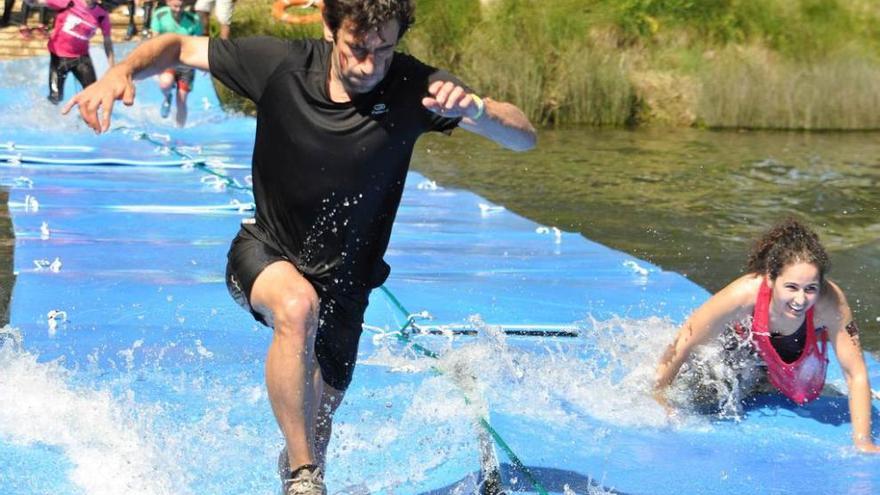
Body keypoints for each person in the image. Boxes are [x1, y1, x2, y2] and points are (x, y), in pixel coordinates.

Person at [62, 0, 536, 492]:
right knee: (297, 307)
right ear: (331, 28)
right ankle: (303, 477)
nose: (369, 64)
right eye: (357, 47)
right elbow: (179, 46)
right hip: (264, 254)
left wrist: (477, 110)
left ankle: (303, 467)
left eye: (384, 49)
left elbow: (524, 138)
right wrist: (121, 70)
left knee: (315, 427)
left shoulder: (414, 86)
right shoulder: (281, 64)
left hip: (349, 285)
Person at [654, 218, 879, 453]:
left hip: (788, 350)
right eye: (791, 287)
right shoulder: (743, 295)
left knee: (804, 388)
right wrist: (659, 395)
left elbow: (856, 373)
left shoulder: (831, 304)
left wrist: (863, 441)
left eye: (810, 289)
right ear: (771, 279)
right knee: (705, 392)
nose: (800, 300)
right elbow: (683, 342)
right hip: (738, 350)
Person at [25, 0, 114, 104]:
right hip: (58, 58)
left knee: (93, 95)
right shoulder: (69, 2)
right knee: (55, 98)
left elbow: (107, 41)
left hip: (81, 59)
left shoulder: (101, 14)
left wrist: (112, 68)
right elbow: (38, 2)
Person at [149, 0, 201, 126]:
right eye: (175, 6)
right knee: (165, 84)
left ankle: (180, 130)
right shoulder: (159, 15)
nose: (178, 10)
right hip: (168, 61)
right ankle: (167, 97)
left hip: (186, 63)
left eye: (181, 6)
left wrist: (205, 65)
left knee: (182, 100)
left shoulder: (193, 19)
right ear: (168, 3)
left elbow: (200, 42)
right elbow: (154, 41)